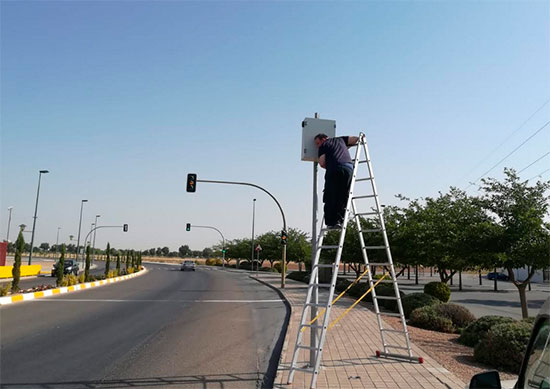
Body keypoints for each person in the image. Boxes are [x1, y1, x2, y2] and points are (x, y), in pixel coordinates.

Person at [314, 133, 360, 229]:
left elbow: (322, 163)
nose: (317, 145)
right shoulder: (340, 140)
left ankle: (331, 222)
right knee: (343, 195)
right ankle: (341, 219)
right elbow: (355, 139)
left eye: (317, 143)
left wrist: (331, 165)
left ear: (323, 139)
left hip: (334, 169)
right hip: (349, 169)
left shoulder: (324, 145)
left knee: (330, 195)